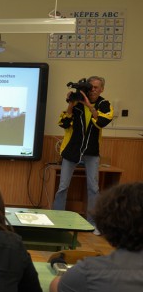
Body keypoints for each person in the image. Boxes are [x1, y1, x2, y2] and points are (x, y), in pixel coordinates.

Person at [52, 76, 113, 235]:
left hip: (91, 152)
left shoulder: (104, 104)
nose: (92, 90)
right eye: (90, 87)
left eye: (96, 87)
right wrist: (71, 105)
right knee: (63, 186)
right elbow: (64, 124)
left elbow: (101, 122)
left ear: (102, 89)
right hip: (72, 150)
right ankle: (57, 219)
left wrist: (88, 105)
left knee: (93, 188)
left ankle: (93, 223)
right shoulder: (77, 103)